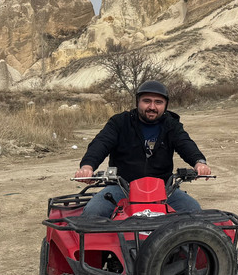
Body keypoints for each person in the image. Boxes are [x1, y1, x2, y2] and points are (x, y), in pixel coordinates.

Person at [75, 80, 211, 218]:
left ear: (165, 105)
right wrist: (87, 166)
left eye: (158, 102)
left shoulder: (171, 124)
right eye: (147, 101)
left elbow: (185, 143)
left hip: (163, 190)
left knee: (194, 211)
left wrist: (199, 162)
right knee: (93, 213)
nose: (152, 107)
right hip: (122, 187)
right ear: (138, 102)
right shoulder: (120, 122)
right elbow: (101, 143)